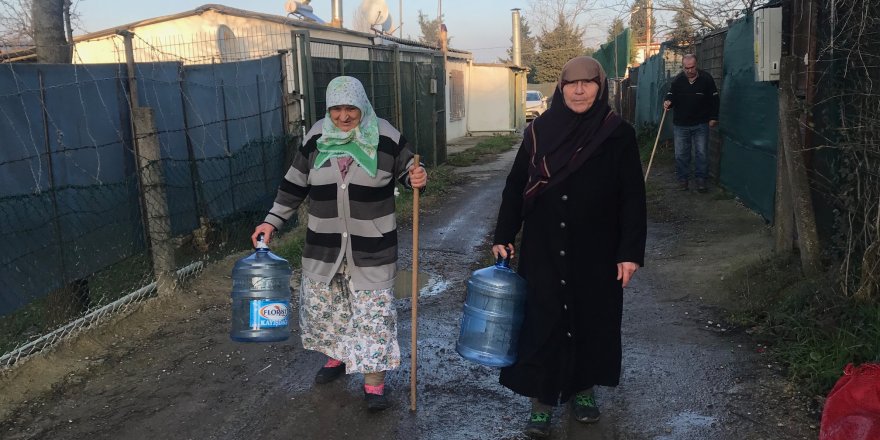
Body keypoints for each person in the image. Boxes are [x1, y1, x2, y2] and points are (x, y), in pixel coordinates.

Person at [491, 57, 647, 438]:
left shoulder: (617, 133)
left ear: (601, 87)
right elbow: (515, 185)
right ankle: (542, 402)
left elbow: (632, 196)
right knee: (542, 321)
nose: (579, 90)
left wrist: (629, 253)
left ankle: (583, 390)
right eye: (571, 84)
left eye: (588, 83)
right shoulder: (539, 132)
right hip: (544, 246)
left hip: (597, 248)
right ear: (560, 89)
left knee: (591, 318)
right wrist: (503, 234)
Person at [251, 76, 427, 412]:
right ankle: (340, 358)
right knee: (330, 311)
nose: (343, 117)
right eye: (336, 109)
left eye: (351, 109)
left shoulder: (386, 136)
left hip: (372, 248)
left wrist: (417, 177)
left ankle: (374, 384)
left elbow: (409, 170)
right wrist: (271, 220)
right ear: (328, 109)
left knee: (374, 317)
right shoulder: (316, 137)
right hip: (324, 246)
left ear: (363, 106)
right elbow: (294, 184)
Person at [663, 54, 720, 193]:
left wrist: (713, 117)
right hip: (681, 124)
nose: (689, 71)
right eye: (686, 68)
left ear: (697, 65)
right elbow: (671, 96)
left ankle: (701, 180)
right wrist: (667, 102)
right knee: (681, 154)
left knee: (701, 153)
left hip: (701, 123)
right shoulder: (678, 80)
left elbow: (715, 99)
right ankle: (683, 179)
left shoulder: (706, 79)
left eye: (692, 67)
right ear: (683, 67)